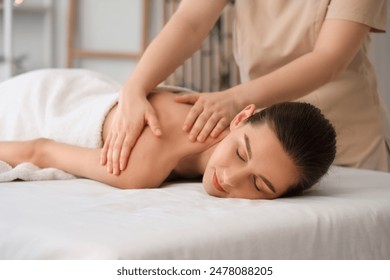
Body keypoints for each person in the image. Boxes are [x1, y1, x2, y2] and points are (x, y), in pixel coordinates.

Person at [103, 0, 390, 176]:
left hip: (347, 138)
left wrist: (235, 98)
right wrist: (135, 87)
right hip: (270, 147)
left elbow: (330, 59)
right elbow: (190, 21)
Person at [0, 69, 336, 199]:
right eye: (240, 153)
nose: (232, 178)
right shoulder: (141, 165)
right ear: (241, 117)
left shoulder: (212, 118)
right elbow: (39, 150)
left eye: (260, 185)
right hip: (36, 103)